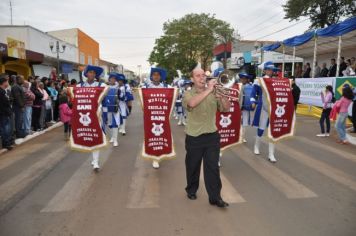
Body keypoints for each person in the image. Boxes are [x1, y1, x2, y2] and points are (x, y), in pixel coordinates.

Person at [183, 64, 230, 208]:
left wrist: (222, 96)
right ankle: (191, 189)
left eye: (203, 75)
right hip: (194, 137)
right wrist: (209, 89)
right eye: (198, 75)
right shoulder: (188, 94)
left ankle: (215, 197)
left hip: (212, 136)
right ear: (192, 79)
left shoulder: (214, 92)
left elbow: (226, 109)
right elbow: (192, 103)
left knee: (213, 168)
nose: (202, 78)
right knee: (193, 166)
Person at [77, 65, 106, 172]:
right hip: (84, 114)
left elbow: (104, 95)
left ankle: (96, 161)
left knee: (96, 135)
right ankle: (94, 159)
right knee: (87, 135)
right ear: (86, 74)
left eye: (94, 73)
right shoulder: (80, 85)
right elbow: (74, 97)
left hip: (97, 113)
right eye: (90, 72)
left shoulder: (101, 85)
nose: (92, 74)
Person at [251, 61, 281, 163]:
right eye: (268, 69)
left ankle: (271, 154)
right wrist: (253, 101)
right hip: (263, 108)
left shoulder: (276, 81)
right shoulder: (259, 81)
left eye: (271, 69)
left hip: (275, 109)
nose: (270, 71)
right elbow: (253, 92)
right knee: (261, 129)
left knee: (273, 131)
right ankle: (256, 146)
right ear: (264, 70)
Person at [144, 67, 169, 169]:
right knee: (152, 135)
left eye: (158, 75)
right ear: (151, 76)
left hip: (162, 115)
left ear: (160, 77)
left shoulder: (166, 87)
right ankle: (155, 157)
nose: (156, 76)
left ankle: (159, 153)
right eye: (154, 74)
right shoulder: (146, 87)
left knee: (162, 135)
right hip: (150, 115)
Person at [103, 72, 122, 147]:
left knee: (115, 124)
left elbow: (121, 98)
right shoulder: (105, 88)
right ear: (109, 79)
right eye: (112, 78)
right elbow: (103, 98)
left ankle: (115, 140)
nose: (113, 80)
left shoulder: (118, 88)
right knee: (110, 123)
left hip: (116, 108)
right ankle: (112, 137)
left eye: (114, 78)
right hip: (107, 108)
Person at [238, 72, 254, 143]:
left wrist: (253, 103)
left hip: (246, 107)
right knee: (237, 122)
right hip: (238, 107)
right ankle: (237, 137)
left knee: (244, 123)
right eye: (241, 78)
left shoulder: (250, 86)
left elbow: (253, 96)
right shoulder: (237, 85)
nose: (243, 80)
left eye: (244, 78)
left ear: (247, 79)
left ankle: (242, 137)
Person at [0, 74, 13, 150]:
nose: (8, 82)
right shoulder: (1, 92)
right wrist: (9, 100)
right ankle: (6, 143)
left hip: (4, 112)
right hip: (3, 113)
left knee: (5, 128)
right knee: (5, 128)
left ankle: (7, 142)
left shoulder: (3, 91)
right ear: (3, 83)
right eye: (6, 81)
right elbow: (6, 102)